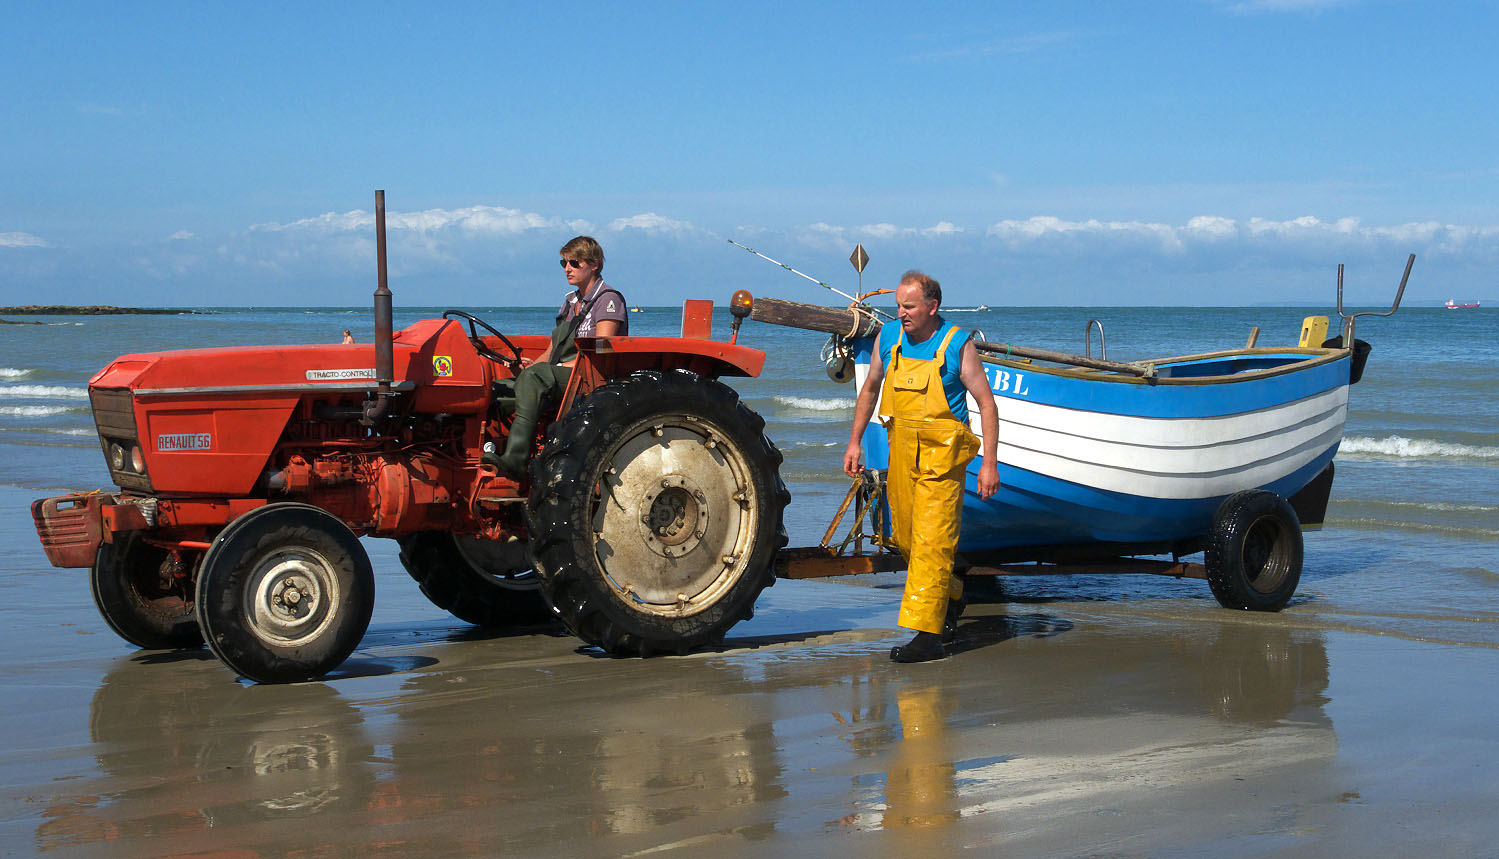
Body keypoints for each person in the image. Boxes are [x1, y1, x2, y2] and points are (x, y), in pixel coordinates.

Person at [843, 270, 999, 663]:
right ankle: (953, 595)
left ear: (932, 306)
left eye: (909, 306)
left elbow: (987, 404)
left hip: (943, 461)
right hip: (901, 455)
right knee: (908, 540)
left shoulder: (956, 344)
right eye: (898, 305)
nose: (901, 312)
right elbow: (871, 389)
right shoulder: (889, 337)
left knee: (932, 544)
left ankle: (928, 636)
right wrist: (855, 442)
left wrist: (989, 465)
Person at [482, 235, 627, 478]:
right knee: (498, 388)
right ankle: (488, 449)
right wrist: (527, 368)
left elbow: (602, 354)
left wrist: (550, 369)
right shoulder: (571, 302)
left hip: (590, 378)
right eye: (564, 263)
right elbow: (552, 350)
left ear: (594, 265)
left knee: (535, 377)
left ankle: (515, 461)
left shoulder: (608, 300)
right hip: (565, 371)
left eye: (574, 263)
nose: (567, 269)